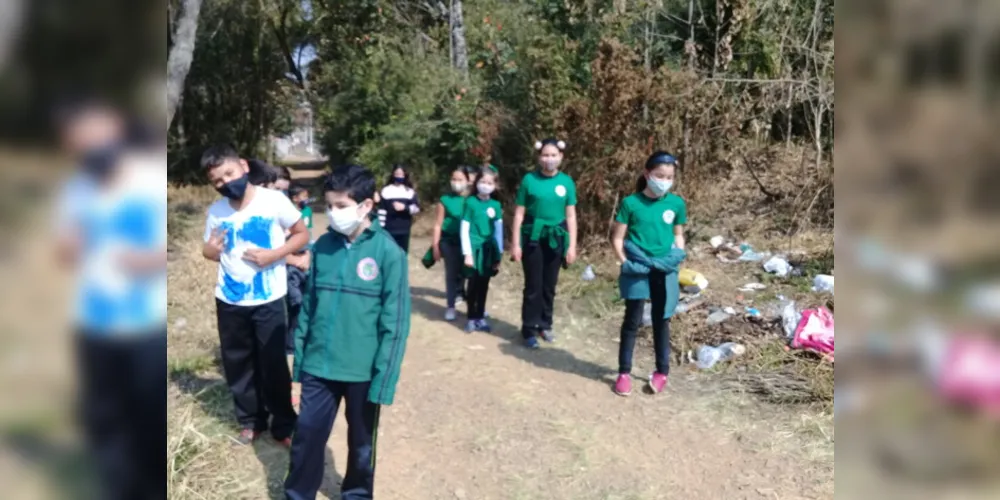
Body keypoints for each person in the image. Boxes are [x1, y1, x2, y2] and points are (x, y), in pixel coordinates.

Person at [53, 100, 168, 500]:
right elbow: (64, 253)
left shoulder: (150, 177)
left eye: (98, 135)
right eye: (81, 140)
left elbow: (167, 250)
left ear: (116, 132)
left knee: (149, 423)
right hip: (94, 325)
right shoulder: (77, 187)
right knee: (105, 423)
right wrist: (72, 244)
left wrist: (146, 260)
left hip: (147, 329)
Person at [285, 164, 411, 500]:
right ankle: (298, 494)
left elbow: (395, 324)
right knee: (307, 436)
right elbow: (308, 309)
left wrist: (385, 378)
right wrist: (299, 364)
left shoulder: (389, 254)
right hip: (318, 367)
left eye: (341, 206)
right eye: (329, 205)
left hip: (362, 372)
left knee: (361, 444)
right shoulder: (323, 246)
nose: (333, 213)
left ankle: (355, 494)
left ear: (366, 205)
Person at [201, 144, 308, 446]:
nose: (225, 183)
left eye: (229, 174)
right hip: (230, 299)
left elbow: (302, 234)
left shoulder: (274, 201)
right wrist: (210, 250)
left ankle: (284, 424)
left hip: (269, 299)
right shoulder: (216, 211)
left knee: (273, 364)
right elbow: (208, 250)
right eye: (217, 182)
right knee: (238, 363)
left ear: (244, 167)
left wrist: (275, 254)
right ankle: (251, 420)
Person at [611, 151, 687, 396]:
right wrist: (625, 263)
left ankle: (662, 372)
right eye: (659, 175)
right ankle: (623, 372)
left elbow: (677, 234)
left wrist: (677, 255)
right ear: (647, 174)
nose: (664, 181)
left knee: (661, 320)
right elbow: (618, 238)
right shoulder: (630, 203)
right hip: (638, 268)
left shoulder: (676, 204)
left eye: (669, 177)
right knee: (632, 321)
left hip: (664, 269)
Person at [510, 138, 578, 349]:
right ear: (539, 157)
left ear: (561, 157)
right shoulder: (529, 180)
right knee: (533, 286)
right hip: (533, 237)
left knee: (550, 285)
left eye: (553, 155)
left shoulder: (567, 182)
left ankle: (545, 325)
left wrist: (572, 245)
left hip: (556, 237)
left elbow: (571, 216)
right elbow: (519, 213)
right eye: (545, 155)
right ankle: (529, 328)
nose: (549, 159)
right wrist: (515, 244)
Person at [460, 166, 504, 333]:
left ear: (495, 186)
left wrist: (498, 253)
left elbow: (498, 231)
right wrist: (467, 254)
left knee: (484, 284)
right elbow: (464, 229)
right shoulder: (470, 203)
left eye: (489, 182)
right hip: (474, 249)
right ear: (476, 182)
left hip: (488, 251)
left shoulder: (496, 205)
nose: (485, 185)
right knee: (473, 284)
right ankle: (471, 317)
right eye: (482, 182)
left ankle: (480, 317)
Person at [431, 166, 472, 321]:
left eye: (460, 179)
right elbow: (438, 224)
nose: (456, 183)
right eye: (454, 179)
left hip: (468, 243)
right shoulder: (444, 200)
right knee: (451, 274)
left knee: (470, 274)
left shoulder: (472, 200)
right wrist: (435, 245)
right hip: (449, 242)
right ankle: (450, 306)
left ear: (468, 181)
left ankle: (473, 306)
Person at [377, 164, 420, 252]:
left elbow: (416, 209)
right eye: (397, 174)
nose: (399, 176)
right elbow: (381, 211)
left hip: (404, 230)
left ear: (405, 175)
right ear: (393, 175)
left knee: (402, 255)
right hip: (388, 230)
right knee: (389, 255)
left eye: (401, 174)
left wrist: (405, 207)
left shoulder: (409, 191)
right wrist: (380, 228)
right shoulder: (386, 190)